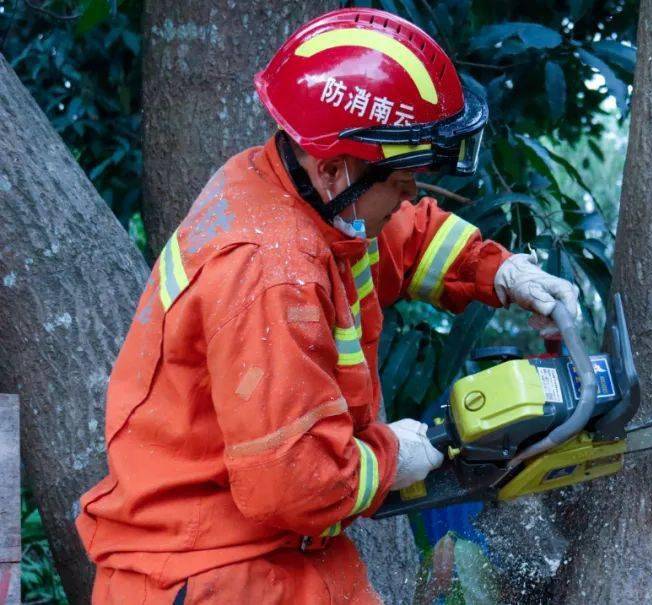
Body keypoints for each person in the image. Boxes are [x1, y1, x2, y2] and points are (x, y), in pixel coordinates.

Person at [76, 8, 579, 604]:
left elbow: (401, 237)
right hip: (213, 570)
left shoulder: (296, 193)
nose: (413, 192)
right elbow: (291, 482)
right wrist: (397, 457)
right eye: (402, 178)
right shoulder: (271, 272)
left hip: (269, 545)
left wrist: (500, 271)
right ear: (337, 168)